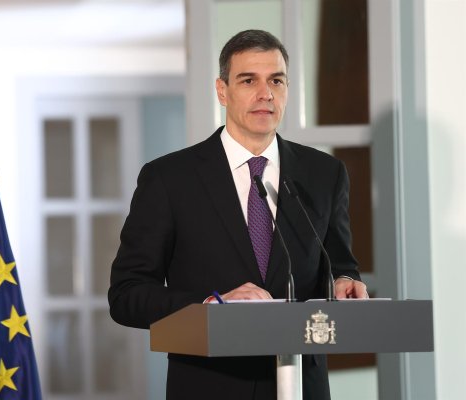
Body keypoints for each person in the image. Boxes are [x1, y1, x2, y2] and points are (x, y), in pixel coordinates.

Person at [108, 29, 368, 400]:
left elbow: (340, 264)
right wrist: (210, 307)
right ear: (222, 91)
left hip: (300, 386)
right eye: (249, 81)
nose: (266, 94)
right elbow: (127, 295)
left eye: (276, 80)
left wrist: (345, 281)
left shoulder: (324, 174)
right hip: (209, 385)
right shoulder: (169, 178)